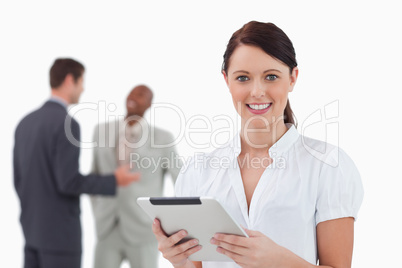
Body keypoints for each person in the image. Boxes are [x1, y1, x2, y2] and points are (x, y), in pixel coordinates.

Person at [152, 21, 364, 268]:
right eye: (243, 78)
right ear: (227, 81)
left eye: (271, 76)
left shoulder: (328, 166)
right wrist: (180, 261)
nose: (257, 91)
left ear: (293, 78)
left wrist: (279, 261)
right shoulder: (198, 170)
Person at [13, 58, 140, 268]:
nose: (83, 88)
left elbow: (18, 179)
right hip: (59, 238)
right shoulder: (67, 123)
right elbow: (68, 182)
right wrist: (114, 179)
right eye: (82, 81)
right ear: (70, 80)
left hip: (31, 233)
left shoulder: (25, 123)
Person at [90, 85, 182, 268]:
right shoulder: (101, 131)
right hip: (107, 226)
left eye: (140, 95)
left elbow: (181, 181)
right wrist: (98, 210)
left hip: (143, 228)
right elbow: (94, 177)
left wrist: (169, 225)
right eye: (131, 92)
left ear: (149, 104)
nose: (133, 97)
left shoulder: (163, 138)